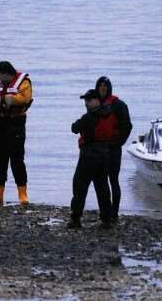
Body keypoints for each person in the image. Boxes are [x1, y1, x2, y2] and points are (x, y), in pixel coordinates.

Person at [0, 61, 33, 205]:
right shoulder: (1, 85)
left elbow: (25, 98)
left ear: (6, 73)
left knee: (17, 159)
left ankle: (23, 195)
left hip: (16, 124)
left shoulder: (23, 82)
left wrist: (6, 98)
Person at [68, 89, 116, 229]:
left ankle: (75, 218)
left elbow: (74, 128)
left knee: (79, 186)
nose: (86, 103)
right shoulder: (109, 114)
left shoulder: (89, 117)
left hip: (89, 155)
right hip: (105, 154)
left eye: (89, 100)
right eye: (85, 101)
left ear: (97, 100)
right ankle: (106, 219)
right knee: (102, 187)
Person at [95, 76, 132, 221]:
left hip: (113, 148)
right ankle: (105, 211)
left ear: (109, 88)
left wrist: (119, 142)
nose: (102, 88)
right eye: (100, 86)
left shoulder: (118, 105)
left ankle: (114, 212)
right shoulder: (95, 104)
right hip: (99, 149)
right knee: (101, 181)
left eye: (105, 86)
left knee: (113, 180)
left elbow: (127, 126)